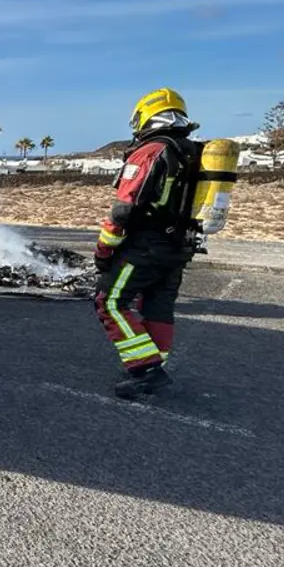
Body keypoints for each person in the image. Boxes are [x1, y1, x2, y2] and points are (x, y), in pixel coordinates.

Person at [94, 88, 202, 400]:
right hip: (179, 245)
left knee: (109, 302)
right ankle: (153, 364)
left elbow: (124, 210)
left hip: (145, 246)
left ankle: (146, 370)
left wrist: (104, 250)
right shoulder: (192, 152)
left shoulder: (152, 151)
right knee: (158, 306)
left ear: (146, 116)